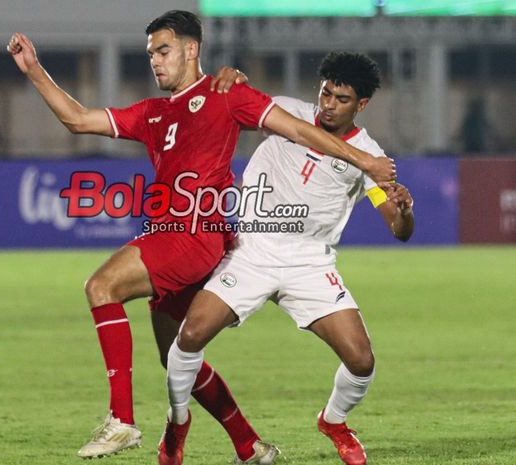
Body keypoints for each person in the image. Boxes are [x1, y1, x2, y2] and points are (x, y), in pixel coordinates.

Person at [7, 10, 395, 463]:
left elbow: (303, 133)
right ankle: (246, 444)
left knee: (101, 286)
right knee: (176, 353)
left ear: (192, 50)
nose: (155, 60)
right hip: (187, 237)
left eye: (164, 50)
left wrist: (364, 162)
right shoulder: (153, 113)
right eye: (151, 52)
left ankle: (122, 421)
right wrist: (34, 70)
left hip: (195, 235)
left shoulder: (226, 96)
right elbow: (77, 119)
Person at [164, 52, 415, 465]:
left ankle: (334, 421)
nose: (329, 104)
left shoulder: (369, 155)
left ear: (362, 105)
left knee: (361, 359)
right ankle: (176, 424)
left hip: (310, 264)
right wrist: (227, 80)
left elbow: (399, 230)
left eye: (342, 98)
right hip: (252, 253)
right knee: (190, 337)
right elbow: (222, 106)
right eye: (326, 92)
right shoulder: (286, 113)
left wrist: (404, 210)